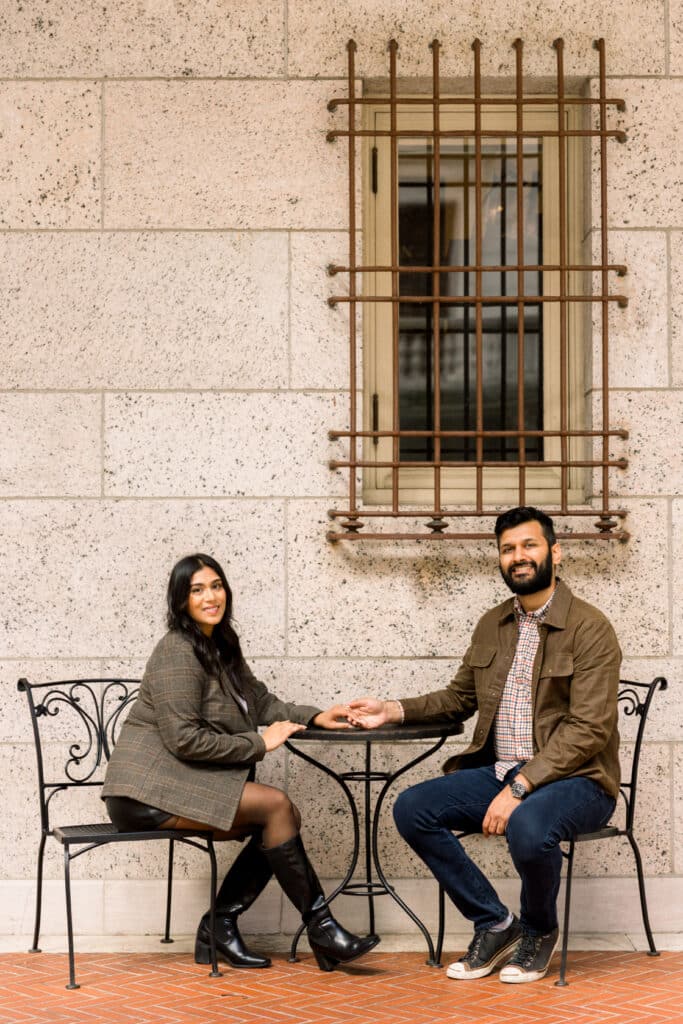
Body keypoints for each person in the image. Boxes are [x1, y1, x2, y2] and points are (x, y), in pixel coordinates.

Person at [347, 506, 620, 984]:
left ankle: (538, 930)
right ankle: (496, 923)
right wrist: (393, 709)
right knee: (413, 808)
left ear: (554, 552)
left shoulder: (590, 628)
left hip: (579, 781)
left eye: (529, 545)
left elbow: (589, 728)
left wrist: (521, 787)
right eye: (508, 548)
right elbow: (459, 699)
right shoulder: (493, 624)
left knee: (530, 828)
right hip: (503, 771)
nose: (518, 557)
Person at [102, 553, 379, 972]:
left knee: (279, 820)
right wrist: (258, 744)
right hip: (145, 791)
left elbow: (262, 701)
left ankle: (222, 925)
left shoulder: (220, 645)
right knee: (277, 807)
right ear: (181, 602)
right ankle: (320, 930)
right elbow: (182, 739)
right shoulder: (177, 650)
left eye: (216, 585)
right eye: (197, 590)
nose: (211, 596)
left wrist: (316, 715)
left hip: (177, 782)